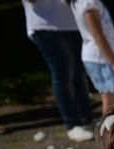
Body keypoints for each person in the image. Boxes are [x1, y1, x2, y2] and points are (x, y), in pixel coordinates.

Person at [21, 0, 94, 141]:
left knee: (79, 74)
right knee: (63, 74)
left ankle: (87, 119)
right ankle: (73, 124)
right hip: (45, 25)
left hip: (72, 23)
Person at [66, 0, 114, 115]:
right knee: (111, 101)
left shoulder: (82, 3)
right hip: (100, 58)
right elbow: (97, 35)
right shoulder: (89, 3)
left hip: (100, 57)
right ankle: (105, 132)